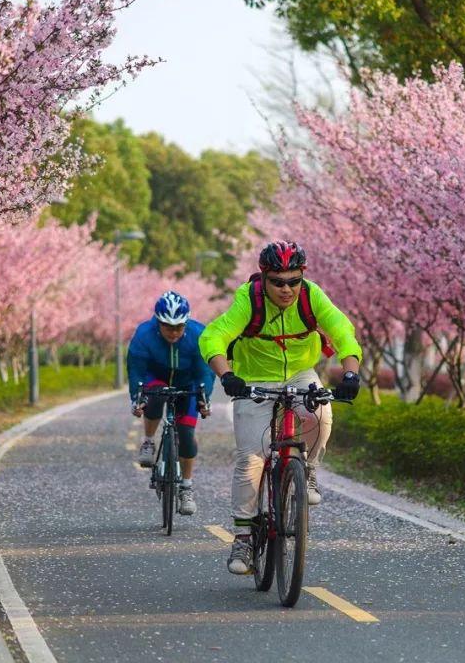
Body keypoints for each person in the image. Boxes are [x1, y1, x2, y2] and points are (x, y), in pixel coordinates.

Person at [199, 241, 361, 574]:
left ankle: (310, 470)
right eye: (277, 281)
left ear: (302, 276)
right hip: (253, 379)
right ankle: (243, 536)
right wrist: (226, 374)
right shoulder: (249, 299)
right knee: (251, 459)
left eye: (293, 281)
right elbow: (214, 336)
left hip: (300, 372)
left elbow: (343, 331)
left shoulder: (312, 296)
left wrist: (350, 373)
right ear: (264, 277)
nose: (286, 289)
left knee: (321, 411)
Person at [127, 290, 215, 516]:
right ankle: (148, 441)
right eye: (168, 327)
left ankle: (186, 487)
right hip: (155, 377)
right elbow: (136, 370)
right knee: (153, 398)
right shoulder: (144, 335)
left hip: (188, 382)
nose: (174, 332)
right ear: (158, 322)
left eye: (179, 327)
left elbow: (205, 372)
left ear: (186, 323)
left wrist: (205, 399)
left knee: (186, 435)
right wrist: (137, 398)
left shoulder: (198, 334)